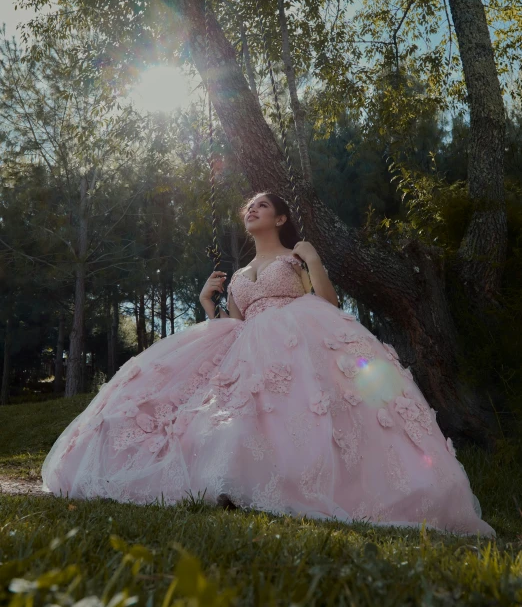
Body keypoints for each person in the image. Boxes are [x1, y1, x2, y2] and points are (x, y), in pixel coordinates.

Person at [42, 192, 495, 536]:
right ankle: (229, 481)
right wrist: (206, 303)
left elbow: (328, 302)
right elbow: (235, 325)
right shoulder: (239, 275)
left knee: (300, 415)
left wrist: (314, 258)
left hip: (299, 336)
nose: (252, 210)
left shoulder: (296, 256)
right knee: (221, 415)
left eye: (262, 206)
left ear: (280, 218)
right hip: (248, 346)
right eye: (248, 207)